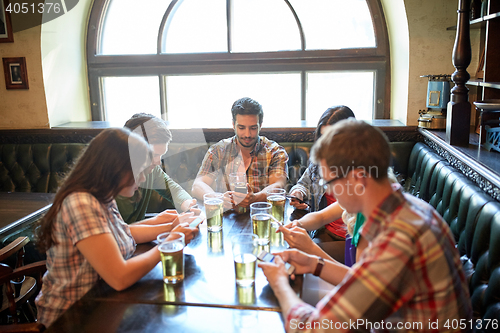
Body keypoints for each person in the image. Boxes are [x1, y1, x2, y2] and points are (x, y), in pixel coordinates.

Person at [260, 119, 472, 332]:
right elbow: (367, 283)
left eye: (330, 183)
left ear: (358, 179)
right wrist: (314, 264)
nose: (330, 192)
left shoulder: (397, 239)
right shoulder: (412, 209)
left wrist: (280, 284)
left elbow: (314, 328)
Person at [35, 128, 199, 327]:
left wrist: (168, 225)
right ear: (116, 168)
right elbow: (119, 278)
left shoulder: (102, 195)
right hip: (71, 318)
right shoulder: (81, 204)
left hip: (103, 303)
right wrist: (169, 243)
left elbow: (123, 233)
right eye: (139, 172)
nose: (143, 179)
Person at [192, 97, 288, 209]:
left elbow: (278, 185)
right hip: (226, 218)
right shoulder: (218, 151)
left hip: (262, 216)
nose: (247, 134)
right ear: (233, 125)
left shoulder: (275, 152)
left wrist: (255, 198)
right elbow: (197, 185)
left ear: (260, 125)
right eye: (241, 128)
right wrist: (218, 198)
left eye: (253, 128)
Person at [286, 106, 355, 259]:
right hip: (326, 232)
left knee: (302, 255)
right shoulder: (321, 160)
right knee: (297, 250)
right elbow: (322, 217)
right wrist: (299, 194)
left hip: (353, 241)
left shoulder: (361, 176)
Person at [116, 113, 198, 224]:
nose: (158, 162)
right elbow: (118, 231)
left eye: (161, 155)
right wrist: (162, 224)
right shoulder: (109, 177)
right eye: (153, 155)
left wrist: (189, 204)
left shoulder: (151, 170)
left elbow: (173, 190)